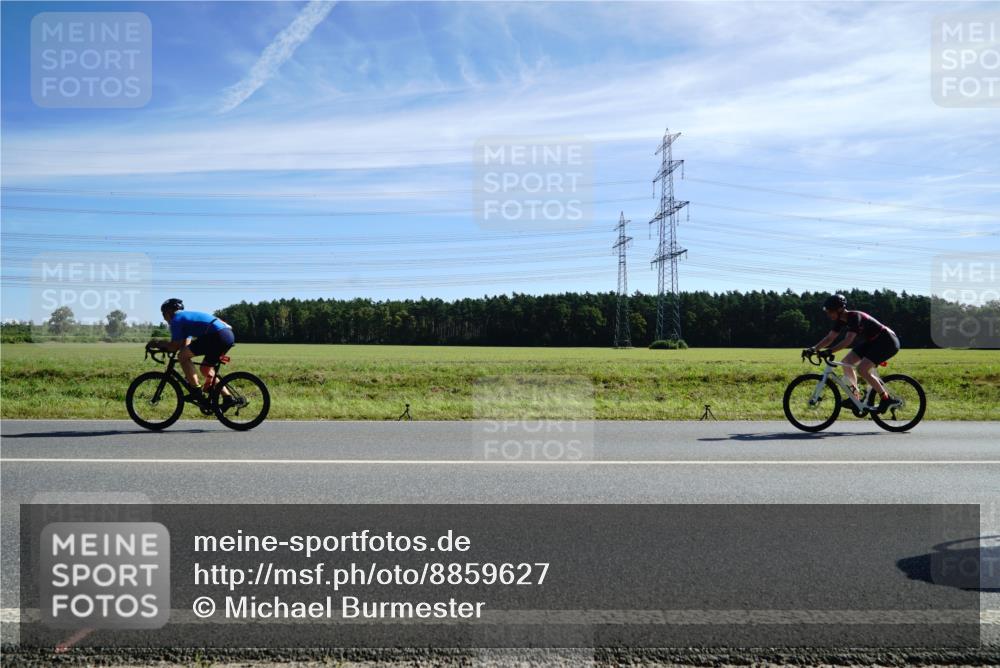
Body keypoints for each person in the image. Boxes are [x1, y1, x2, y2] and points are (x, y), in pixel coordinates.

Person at [806, 294, 901, 414]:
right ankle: (855, 398)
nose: (828, 314)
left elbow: (848, 340)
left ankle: (885, 398)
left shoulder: (854, 317)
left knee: (862, 369)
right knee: (846, 362)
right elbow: (830, 337)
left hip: (887, 341)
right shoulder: (840, 320)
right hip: (873, 342)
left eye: (830, 311)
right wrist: (813, 349)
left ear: (840, 309)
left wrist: (829, 351)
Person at [151, 298, 237, 408]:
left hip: (217, 336)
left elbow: (174, 346)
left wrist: (157, 344)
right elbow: (184, 346)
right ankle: (228, 398)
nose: (164, 318)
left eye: (163, 314)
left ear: (169, 312)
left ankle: (196, 391)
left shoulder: (176, 319)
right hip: (227, 335)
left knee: (182, 356)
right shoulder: (185, 319)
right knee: (205, 369)